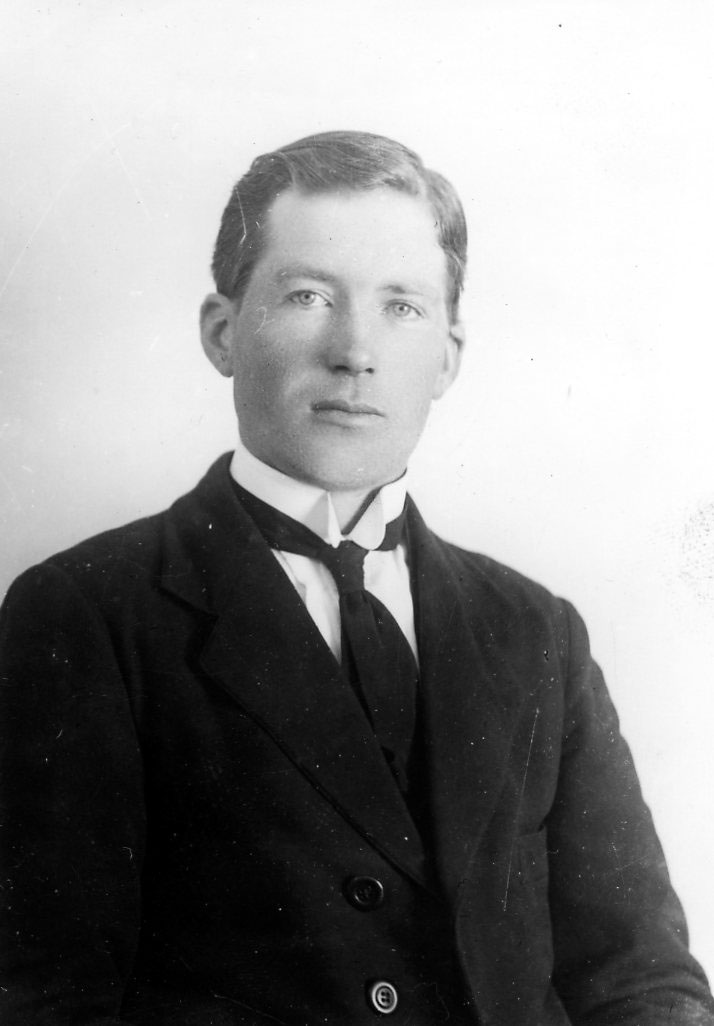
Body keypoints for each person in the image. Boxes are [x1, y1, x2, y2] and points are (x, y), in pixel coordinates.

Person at [0, 130, 712, 1026]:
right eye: (308, 295)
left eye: (401, 306)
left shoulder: (536, 631)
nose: (355, 351)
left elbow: (641, 980)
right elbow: (48, 997)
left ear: (448, 356)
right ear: (222, 332)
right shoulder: (87, 613)